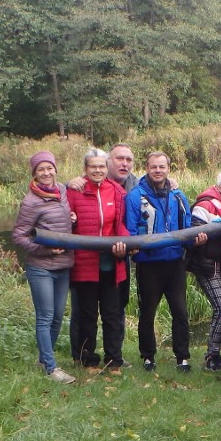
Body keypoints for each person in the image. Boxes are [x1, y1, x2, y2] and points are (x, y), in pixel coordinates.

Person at [125, 151, 207, 372]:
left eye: (162, 167)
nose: (158, 170)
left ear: (168, 169)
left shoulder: (178, 195)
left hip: (174, 263)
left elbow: (187, 227)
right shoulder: (135, 196)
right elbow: (131, 230)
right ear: (147, 168)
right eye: (154, 167)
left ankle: (183, 357)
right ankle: (148, 357)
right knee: (148, 312)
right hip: (149, 264)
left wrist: (195, 240)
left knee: (180, 311)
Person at [67, 143, 145, 367]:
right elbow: (66, 222)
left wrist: (123, 242)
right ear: (85, 168)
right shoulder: (75, 190)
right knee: (87, 315)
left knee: (112, 314)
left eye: (101, 166)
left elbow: (121, 224)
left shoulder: (118, 191)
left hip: (113, 264)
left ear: (106, 166)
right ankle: (87, 360)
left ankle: (114, 360)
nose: (98, 171)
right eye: (93, 167)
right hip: (85, 264)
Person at [12, 151, 76, 384]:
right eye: (41, 169)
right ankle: (50, 368)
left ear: (55, 169)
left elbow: (63, 216)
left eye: (49, 168)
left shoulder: (63, 191)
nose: (46, 173)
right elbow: (19, 237)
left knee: (58, 316)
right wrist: (45, 250)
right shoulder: (30, 201)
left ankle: (43, 358)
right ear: (35, 174)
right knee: (45, 316)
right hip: (40, 267)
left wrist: (72, 217)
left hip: (63, 265)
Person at [189, 170, 221, 371]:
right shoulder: (206, 205)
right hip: (208, 264)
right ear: (219, 188)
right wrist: (208, 230)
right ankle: (211, 356)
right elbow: (193, 234)